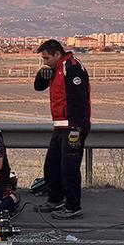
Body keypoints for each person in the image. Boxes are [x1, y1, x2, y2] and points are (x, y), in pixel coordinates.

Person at [33, 39, 92, 218]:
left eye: (46, 58)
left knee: (69, 168)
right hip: (59, 125)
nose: (44, 61)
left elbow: (79, 99)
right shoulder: (55, 69)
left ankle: (73, 206)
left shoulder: (72, 68)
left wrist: (76, 128)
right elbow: (38, 87)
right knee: (52, 166)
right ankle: (56, 198)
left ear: (57, 54)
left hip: (73, 126)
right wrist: (42, 72)